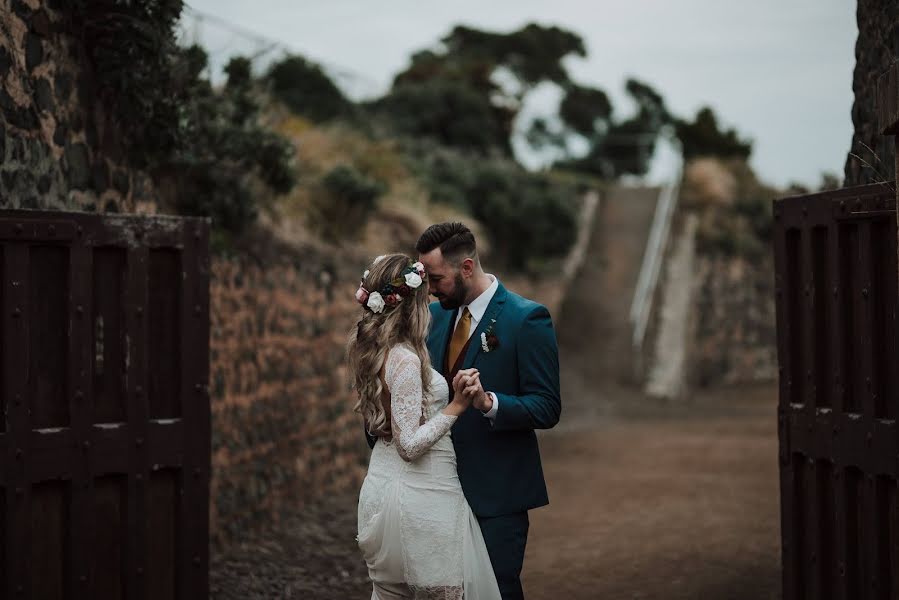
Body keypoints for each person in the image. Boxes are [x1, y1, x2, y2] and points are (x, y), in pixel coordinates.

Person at [415, 222, 562, 600]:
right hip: (437, 490)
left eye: (436, 279)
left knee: (495, 592)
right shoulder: (435, 317)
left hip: (497, 496)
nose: (430, 289)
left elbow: (546, 407)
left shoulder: (527, 319)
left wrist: (488, 403)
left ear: (466, 267)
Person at [351, 253, 502, 600]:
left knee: (390, 593)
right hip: (422, 496)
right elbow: (409, 446)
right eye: (425, 294)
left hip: (382, 485)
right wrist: (457, 405)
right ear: (411, 303)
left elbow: (382, 427)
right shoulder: (404, 359)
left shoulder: (372, 349)